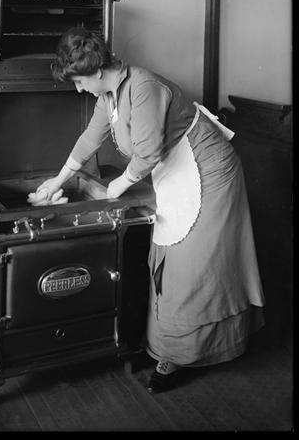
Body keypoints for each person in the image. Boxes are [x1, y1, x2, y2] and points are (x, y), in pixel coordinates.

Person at [34, 26, 265, 392]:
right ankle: (169, 347)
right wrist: (57, 181)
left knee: (196, 264)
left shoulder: (144, 86)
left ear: (97, 71)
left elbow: (147, 154)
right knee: (169, 259)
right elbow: (89, 139)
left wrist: (118, 186)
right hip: (174, 171)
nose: (78, 89)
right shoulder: (109, 95)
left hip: (209, 170)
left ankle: (187, 354)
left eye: (78, 82)